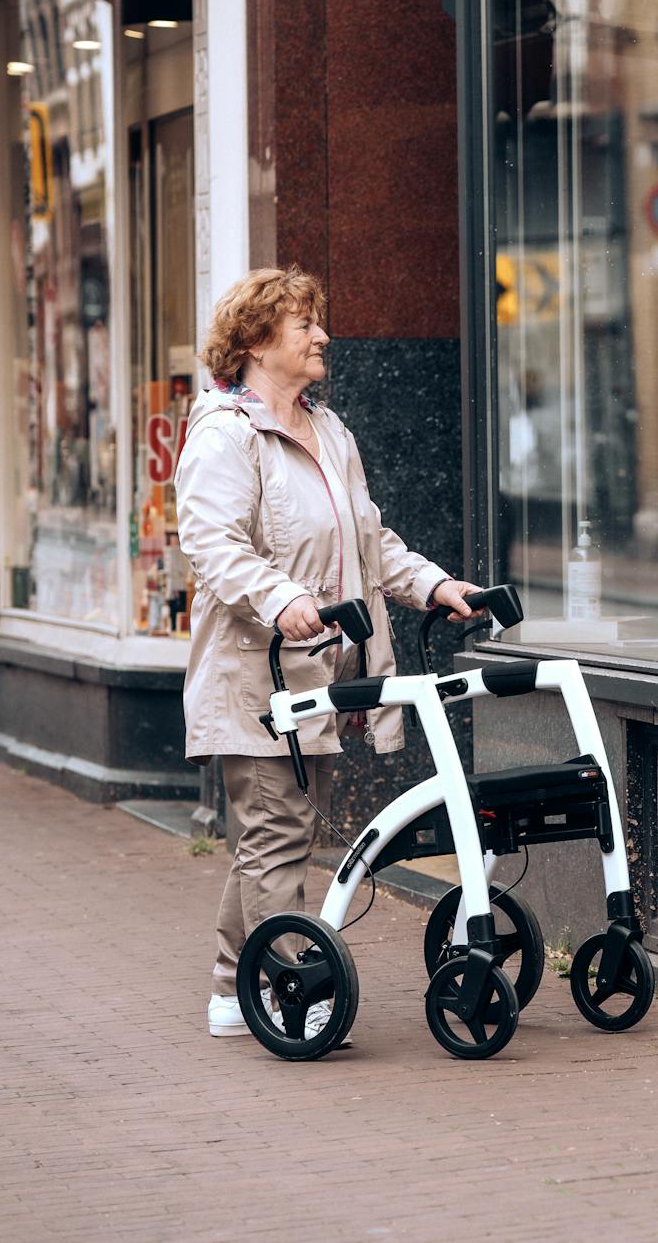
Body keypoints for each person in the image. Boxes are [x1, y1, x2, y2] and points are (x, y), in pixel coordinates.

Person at [175, 266, 481, 1040]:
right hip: (257, 671)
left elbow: (370, 543)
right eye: (304, 323)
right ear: (254, 340)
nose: (323, 336)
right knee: (278, 830)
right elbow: (212, 543)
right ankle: (290, 989)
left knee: (275, 833)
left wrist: (435, 585)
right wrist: (282, 599)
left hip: (323, 669)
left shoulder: (328, 429)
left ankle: (229, 985)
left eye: (320, 321)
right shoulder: (227, 433)